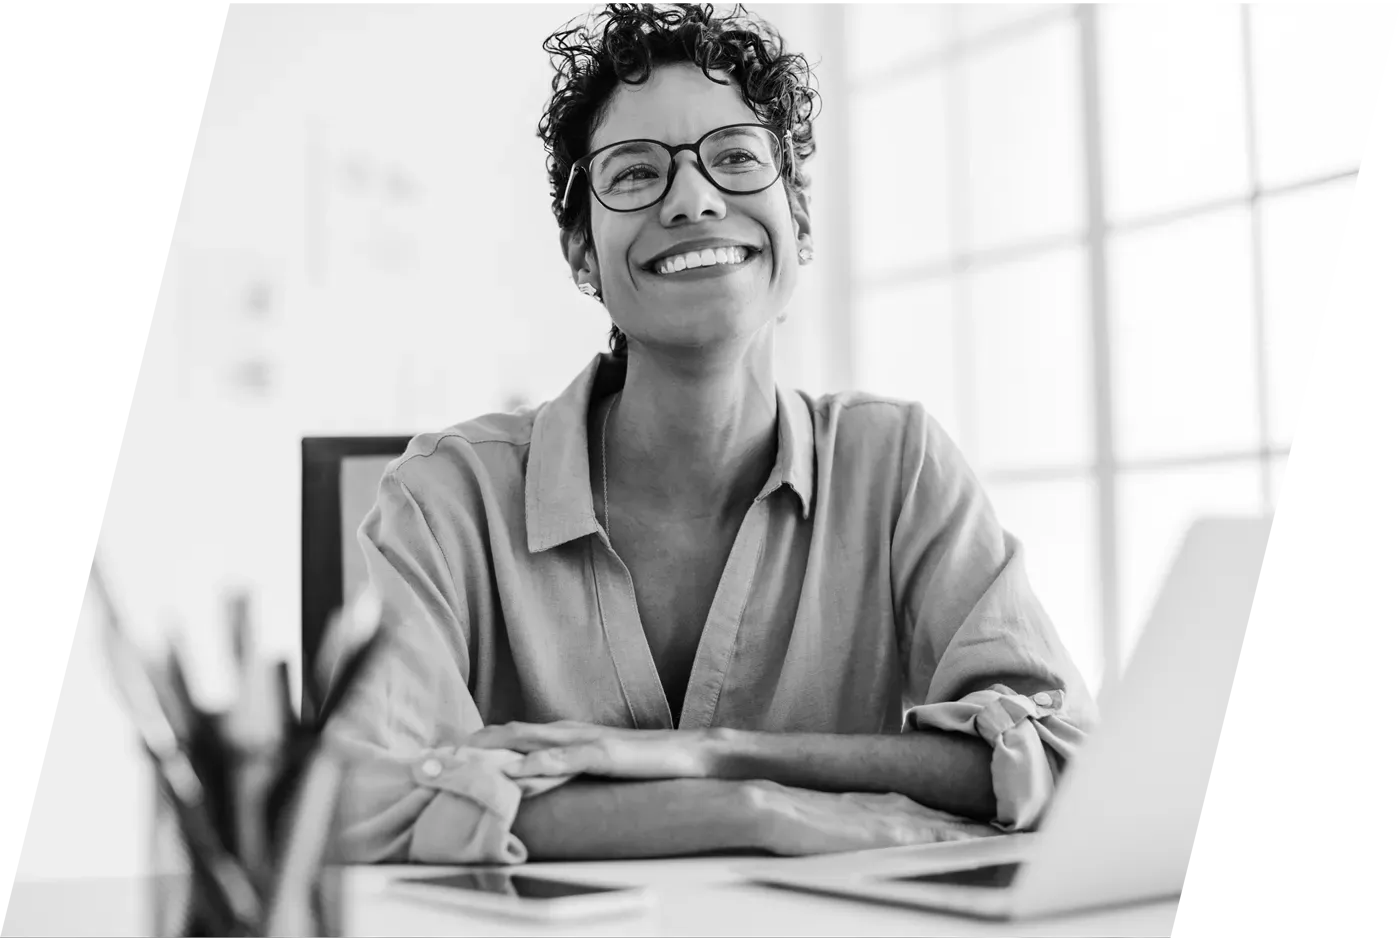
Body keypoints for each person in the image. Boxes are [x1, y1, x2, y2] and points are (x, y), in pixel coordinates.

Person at [327, 0, 1095, 865]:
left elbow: (1066, 758)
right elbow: (365, 799)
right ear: (582, 251)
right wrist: (750, 813)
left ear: (797, 219)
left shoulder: (898, 466)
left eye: (735, 157)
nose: (694, 198)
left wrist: (725, 752)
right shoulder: (443, 500)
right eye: (633, 172)